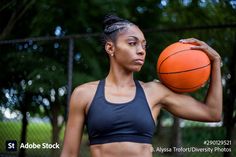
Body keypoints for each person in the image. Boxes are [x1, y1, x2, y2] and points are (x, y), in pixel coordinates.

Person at [60, 14, 222, 157]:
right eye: (132, 43)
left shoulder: (155, 91)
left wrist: (215, 62)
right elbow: (69, 153)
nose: (141, 51)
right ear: (110, 48)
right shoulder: (84, 94)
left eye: (144, 45)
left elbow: (212, 113)